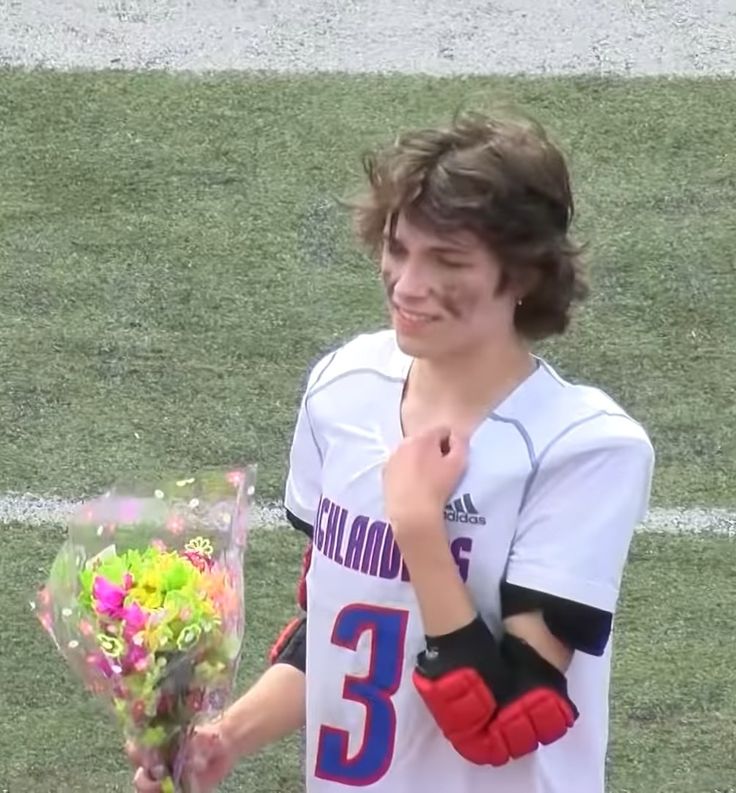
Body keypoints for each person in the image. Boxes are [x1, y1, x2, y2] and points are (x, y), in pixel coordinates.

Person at [129, 107, 655, 793]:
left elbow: (502, 720)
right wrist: (225, 737)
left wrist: (417, 525)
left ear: (524, 273)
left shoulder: (583, 448)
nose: (407, 284)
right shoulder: (342, 386)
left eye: (448, 260)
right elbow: (339, 625)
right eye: (399, 248)